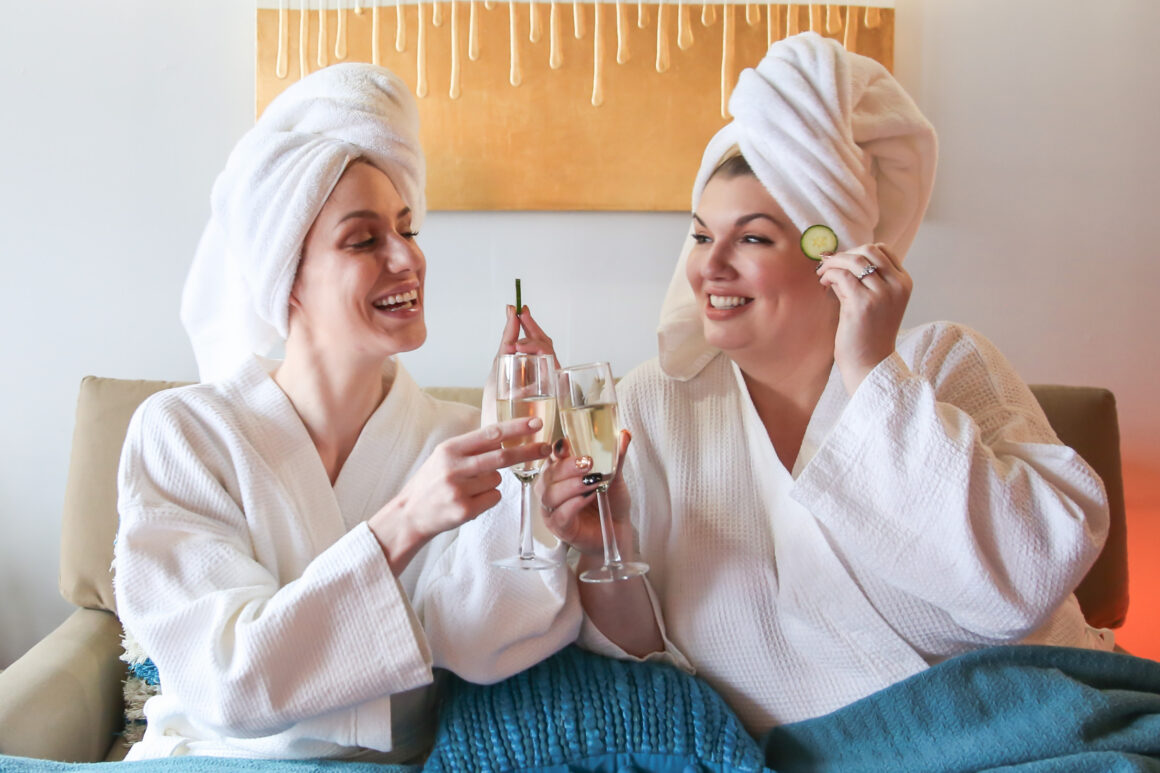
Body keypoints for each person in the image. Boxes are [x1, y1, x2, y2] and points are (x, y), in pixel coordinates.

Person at [537, 32, 1113, 736]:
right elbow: (648, 659)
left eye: (752, 238)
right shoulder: (655, 404)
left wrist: (874, 377)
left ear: (830, 254)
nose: (710, 266)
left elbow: (1025, 578)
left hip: (1029, 731)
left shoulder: (944, 362)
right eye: (699, 235)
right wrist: (607, 547)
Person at [112, 63, 577, 761]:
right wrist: (403, 522)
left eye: (408, 228)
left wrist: (516, 471)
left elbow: (488, 644)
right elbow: (227, 679)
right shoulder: (184, 434)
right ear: (287, 277)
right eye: (364, 240)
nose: (408, 258)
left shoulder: (450, 443)